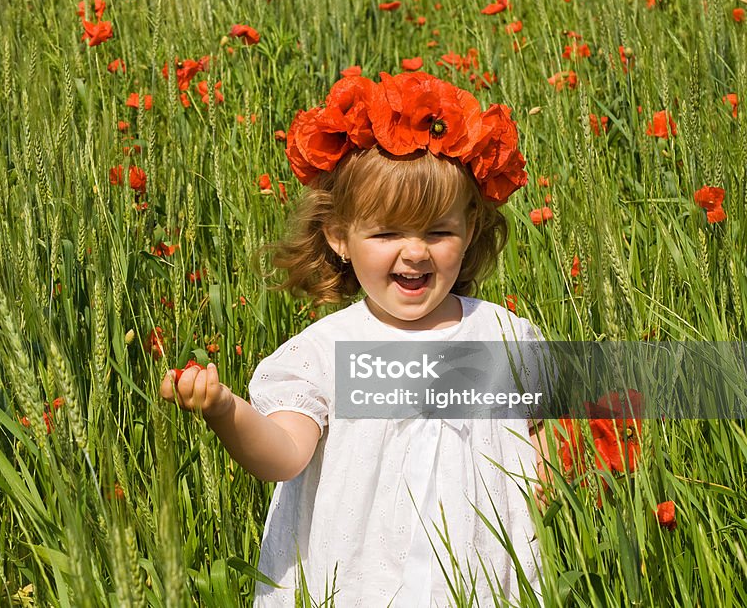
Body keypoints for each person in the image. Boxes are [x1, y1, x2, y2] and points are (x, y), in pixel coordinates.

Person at [160, 70, 551, 607]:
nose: (415, 253)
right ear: (340, 237)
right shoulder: (323, 352)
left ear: (471, 230)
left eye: (438, 231)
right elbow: (285, 457)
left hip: (479, 580)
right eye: (387, 233)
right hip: (361, 582)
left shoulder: (504, 337)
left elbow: (543, 448)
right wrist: (226, 411)